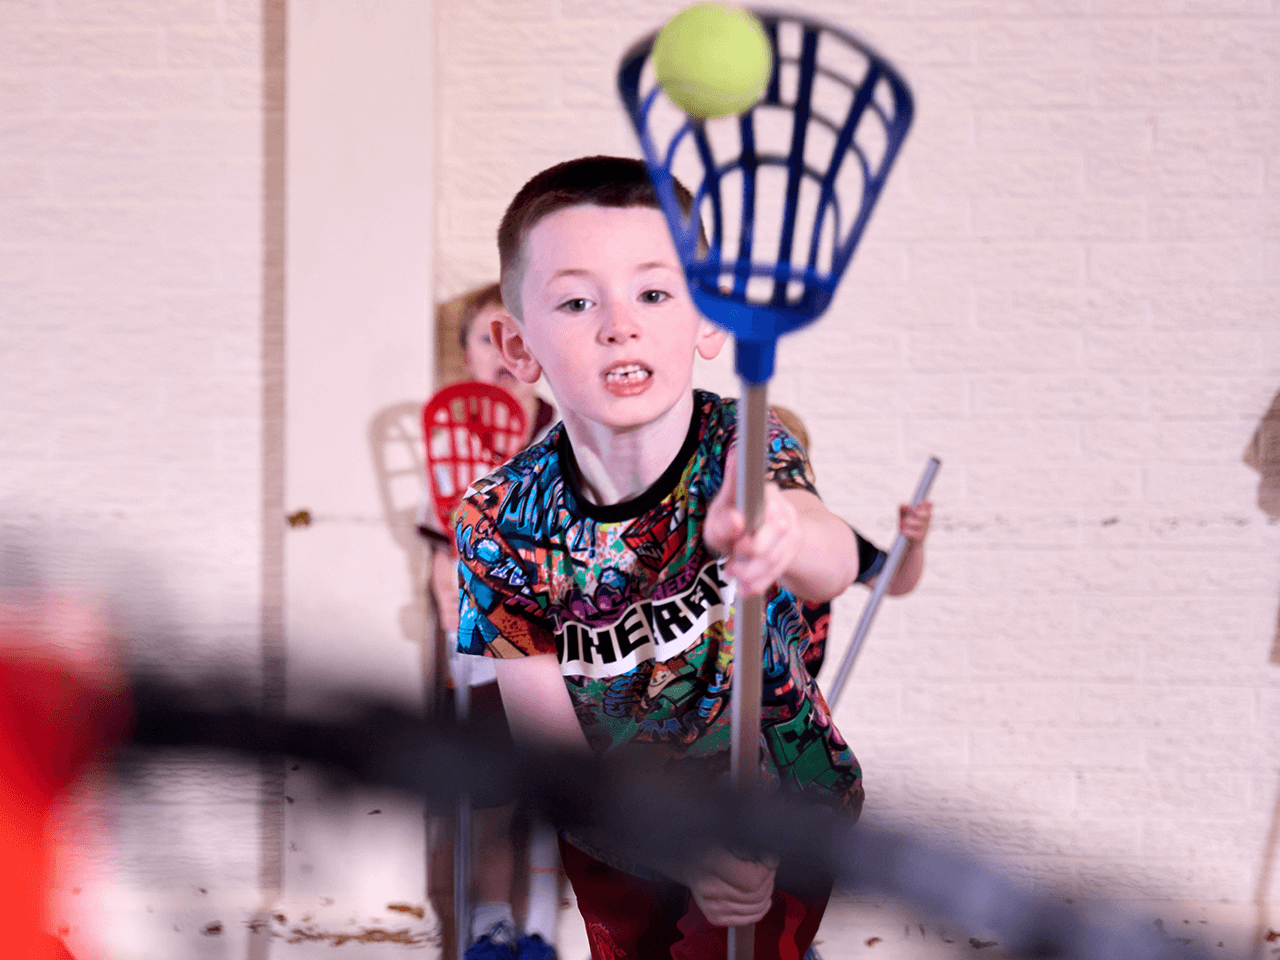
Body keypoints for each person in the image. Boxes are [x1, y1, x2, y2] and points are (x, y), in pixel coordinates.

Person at [454, 155, 880, 960]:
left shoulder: (746, 448)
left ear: (710, 317)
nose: (621, 323)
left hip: (777, 804)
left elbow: (830, 563)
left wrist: (783, 530)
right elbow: (549, 753)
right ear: (519, 346)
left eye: (655, 292)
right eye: (577, 301)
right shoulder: (499, 519)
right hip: (617, 831)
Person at [422, 283, 560, 960]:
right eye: (485, 338)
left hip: (556, 648)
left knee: (560, 794)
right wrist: (443, 581)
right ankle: (488, 925)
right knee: (492, 794)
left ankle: (544, 926)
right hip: (478, 651)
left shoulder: (563, 433)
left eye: (514, 337)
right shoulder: (449, 440)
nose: (502, 354)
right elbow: (439, 546)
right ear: (464, 356)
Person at [768, 405, 932, 680]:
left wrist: (913, 544)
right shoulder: (719, 542)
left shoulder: (829, 540)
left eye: (789, 472)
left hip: (800, 704)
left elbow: (893, 582)